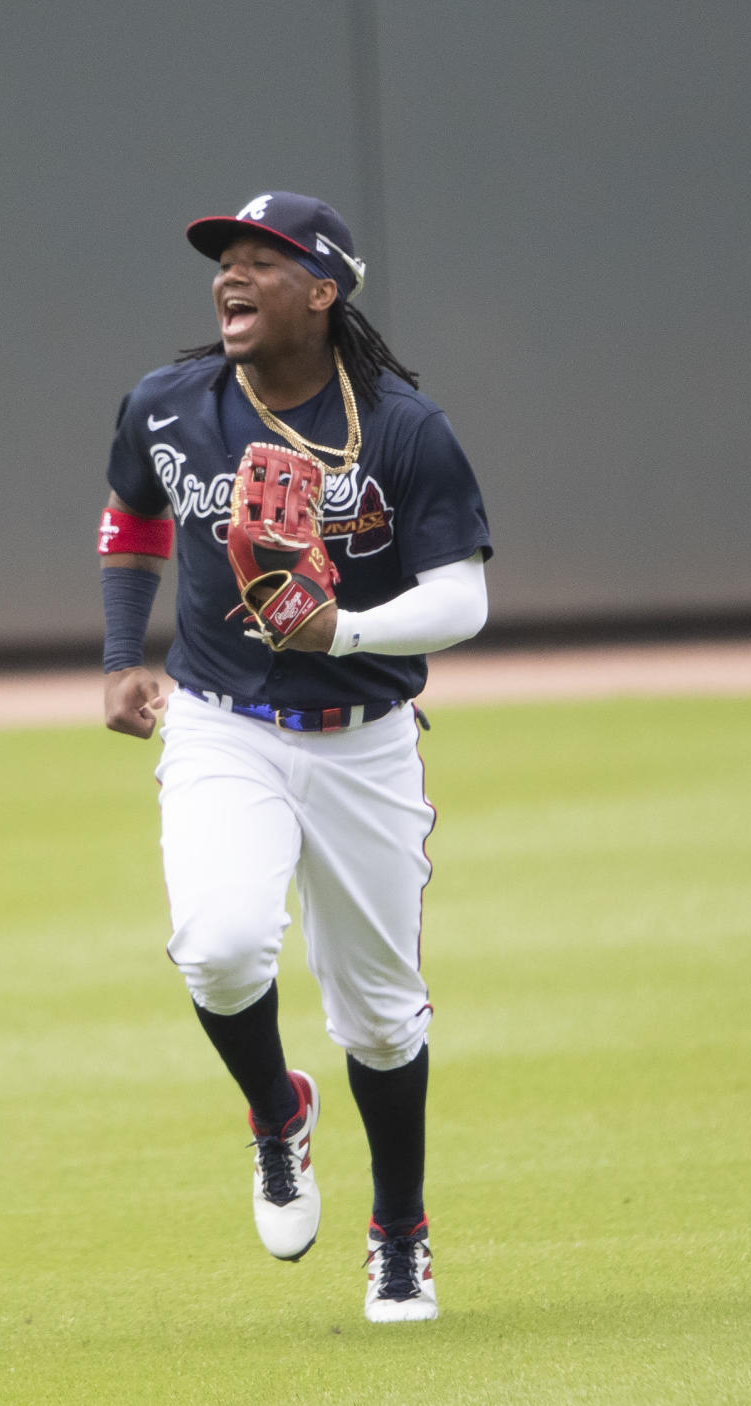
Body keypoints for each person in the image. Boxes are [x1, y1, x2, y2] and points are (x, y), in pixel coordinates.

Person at [98, 191, 492, 1323]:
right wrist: (127, 653)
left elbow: (465, 596)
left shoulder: (404, 428)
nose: (231, 273)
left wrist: (348, 632)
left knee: (380, 1016)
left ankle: (401, 1230)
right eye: (224, 258)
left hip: (364, 743)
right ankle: (278, 1115)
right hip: (221, 722)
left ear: (323, 289)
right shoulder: (169, 406)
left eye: (262, 260)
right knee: (220, 948)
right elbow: (132, 514)